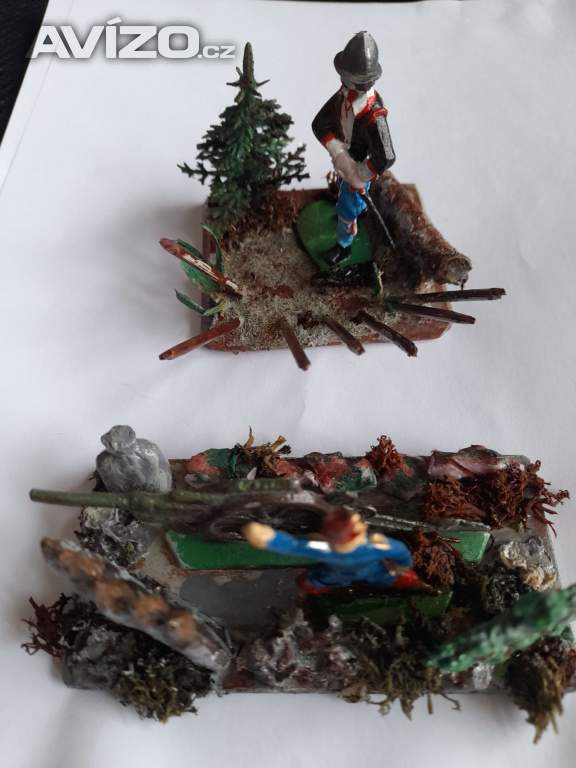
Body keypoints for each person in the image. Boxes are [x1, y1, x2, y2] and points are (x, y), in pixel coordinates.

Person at [312, 31, 396, 265]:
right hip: (344, 161)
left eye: (348, 76)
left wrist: (359, 173)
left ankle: (344, 245)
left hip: (359, 169)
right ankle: (352, 212)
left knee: (348, 209)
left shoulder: (374, 115)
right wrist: (338, 152)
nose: (343, 80)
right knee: (344, 193)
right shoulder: (343, 96)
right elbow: (319, 124)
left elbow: (386, 157)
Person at [243, 508, 423, 595]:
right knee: (310, 584)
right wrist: (269, 538)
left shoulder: (325, 548)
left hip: (370, 572)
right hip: (343, 574)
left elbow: (295, 545)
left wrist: (402, 566)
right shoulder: (374, 545)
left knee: (402, 578)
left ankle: (418, 587)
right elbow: (294, 545)